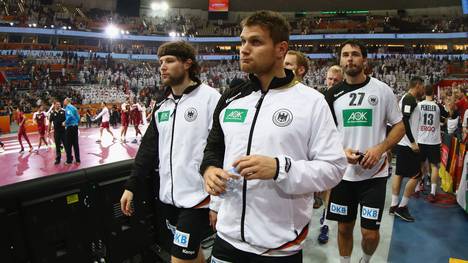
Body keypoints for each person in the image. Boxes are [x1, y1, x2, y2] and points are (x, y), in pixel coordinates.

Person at [201, 11, 347, 262]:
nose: (244, 49)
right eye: (242, 42)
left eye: (255, 42)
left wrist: (281, 168)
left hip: (279, 246)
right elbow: (213, 147)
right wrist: (209, 170)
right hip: (227, 239)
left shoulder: (312, 102)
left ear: (281, 49)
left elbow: (334, 168)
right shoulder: (230, 98)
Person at [120, 41, 221, 263]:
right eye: (160, 62)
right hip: (170, 199)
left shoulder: (210, 98)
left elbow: (222, 150)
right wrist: (131, 186)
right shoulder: (162, 105)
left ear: (187, 63)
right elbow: (148, 149)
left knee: (179, 259)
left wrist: (217, 202)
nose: (162, 67)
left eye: (169, 61)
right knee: (193, 255)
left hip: (198, 199)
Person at [325, 40, 405, 263]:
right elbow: (324, 135)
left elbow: (399, 126)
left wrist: (380, 149)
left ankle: (366, 260)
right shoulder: (331, 95)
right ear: (340, 61)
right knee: (343, 229)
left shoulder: (381, 90)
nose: (349, 58)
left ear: (364, 59)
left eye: (355, 54)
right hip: (343, 175)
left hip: (374, 176)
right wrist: (341, 152)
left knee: (369, 234)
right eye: (345, 55)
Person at [315, 64, 344, 245]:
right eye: (330, 79)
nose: (332, 82)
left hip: (338, 149)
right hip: (321, 147)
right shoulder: (321, 98)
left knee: (331, 188)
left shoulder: (343, 98)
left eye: (336, 80)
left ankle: (326, 222)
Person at [391, 76, 425, 222]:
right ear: (417, 85)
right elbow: (404, 120)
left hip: (403, 144)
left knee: (399, 174)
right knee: (417, 175)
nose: (423, 89)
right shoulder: (409, 99)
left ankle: (393, 205)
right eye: (422, 86)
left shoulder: (407, 98)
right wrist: (412, 142)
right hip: (407, 145)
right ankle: (402, 207)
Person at [417, 85, 448, 202]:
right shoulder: (438, 106)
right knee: (434, 166)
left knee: (419, 164)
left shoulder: (419, 105)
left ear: (424, 92)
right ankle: (433, 192)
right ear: (434, 93)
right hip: (434, 140)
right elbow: (446, 118)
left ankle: (417, 187)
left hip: (421, 139)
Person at [63, 98, 81, 165]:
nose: (63, 102)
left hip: (70, 127)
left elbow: (69, 116)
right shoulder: (74, 108)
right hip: (75, 127)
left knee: (68, 144)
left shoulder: (68, 107)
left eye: (64, 101)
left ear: (67, 101)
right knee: (75, 144)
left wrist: (65, 122)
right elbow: (78, 117)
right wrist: (77, 122)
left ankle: (69, 161)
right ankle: (78, 160)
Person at [49, 100, 66, 165]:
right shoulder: (52, 113)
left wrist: (65, 123)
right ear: (54, 105)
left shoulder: (64, 111)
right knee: (58, 146)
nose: (59, 105)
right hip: (56, 132)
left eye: (59, 104)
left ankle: (69, 158)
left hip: (64, 131)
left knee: (66, 145)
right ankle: (58, 159)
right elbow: (50, 123)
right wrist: (48, 131)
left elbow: (68, 118)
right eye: (57, 104)